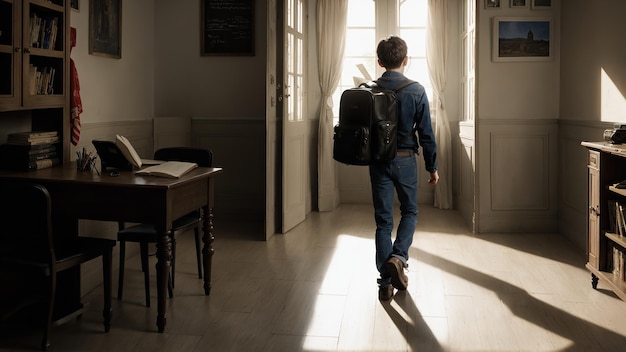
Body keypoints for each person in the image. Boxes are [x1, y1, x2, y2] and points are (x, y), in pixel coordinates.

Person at [369, 36, 439, 301]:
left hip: (378, 161)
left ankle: (385, 284)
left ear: (379, 62)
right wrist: (432, 167)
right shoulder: (417, 90)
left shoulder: (370, 89)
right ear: (405, 60)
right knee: (409, 211)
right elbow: (427, 135)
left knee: (383, 221)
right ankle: (398, 257)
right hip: (406, 159)